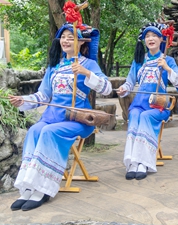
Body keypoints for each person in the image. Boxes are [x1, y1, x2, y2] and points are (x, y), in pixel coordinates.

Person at [8, 23, 112, 211]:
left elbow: (107, 88)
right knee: (34, 130)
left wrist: (86, 73)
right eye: (63, 36)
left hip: (77, 119)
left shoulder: (89, 64)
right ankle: (29, 187)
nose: (65, 40)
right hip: (52, 116)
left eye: (70, 37)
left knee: (48, 132)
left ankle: (43, 189)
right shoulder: (54, 66)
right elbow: (43, 96)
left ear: (80, 42)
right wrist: (22, 100)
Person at [117, 22, 178, 180]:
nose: (151, 38)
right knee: (134, 115)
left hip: (158, 104)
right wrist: (123, 89)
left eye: (154, 35)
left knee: (146, 117)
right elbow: (130, 82)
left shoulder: (168, 60)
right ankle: (133, 162)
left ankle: (143, 163)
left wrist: (167, 68)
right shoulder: (139, 60)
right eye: (147, 36)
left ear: (162, 39)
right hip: (139, 103)